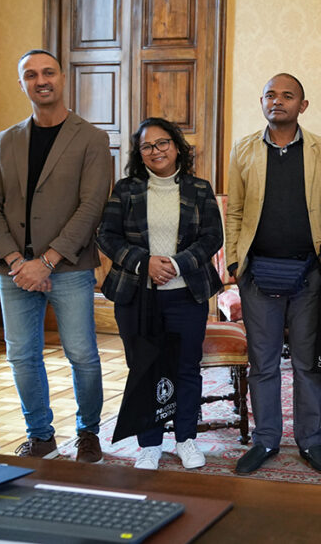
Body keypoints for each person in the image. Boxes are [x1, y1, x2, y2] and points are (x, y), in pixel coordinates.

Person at [0, 49, 111, 462]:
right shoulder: (6, 140)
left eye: (48, 72)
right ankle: (40, 435)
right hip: (15, 272)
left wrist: (47, 261)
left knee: (82, 354)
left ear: (62, 77)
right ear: (22, 84)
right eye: (31, 75)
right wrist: (17, 262)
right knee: (21, 355)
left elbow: (91, 207)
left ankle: (88, 433)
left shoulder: (91, 138)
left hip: (68, 268)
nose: (41, 80)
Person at [225, 73, 321, 475]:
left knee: (307, 362)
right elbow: (236, 211)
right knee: (263, 363)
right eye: (270, 95)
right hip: (258, 275)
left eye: (287, 96)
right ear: (261, 103)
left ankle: (310, 441)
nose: (278, 101)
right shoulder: (242, 150)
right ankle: (265, 440)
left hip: (310, 275)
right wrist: (234, 264)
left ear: (303, 105)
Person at [96, 117, 223, 470]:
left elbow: (213, 237)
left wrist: (178, 264)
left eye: (163, 142)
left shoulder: (199, 188)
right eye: (148, 146)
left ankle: (186, 439)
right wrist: (144, 263)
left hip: (186, 294)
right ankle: (149, 443)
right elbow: (107, 236)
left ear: (177, 145)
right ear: (140, 154)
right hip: (137, 296)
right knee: (143, 368)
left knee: (186, 368)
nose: (157, 151)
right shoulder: (126, 190)